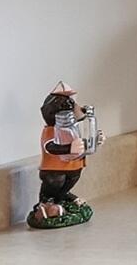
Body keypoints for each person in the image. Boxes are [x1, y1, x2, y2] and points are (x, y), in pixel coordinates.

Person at [29, 84, 96, 229]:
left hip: (74, 166)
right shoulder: (51, 130)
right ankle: (45, 204)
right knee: (55, 183)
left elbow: (82, 141)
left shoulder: (73, 128)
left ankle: (63, 198)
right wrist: (69, 147)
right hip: (54, 168)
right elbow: (50, 147)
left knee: (69, 181)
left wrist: (95, 141)